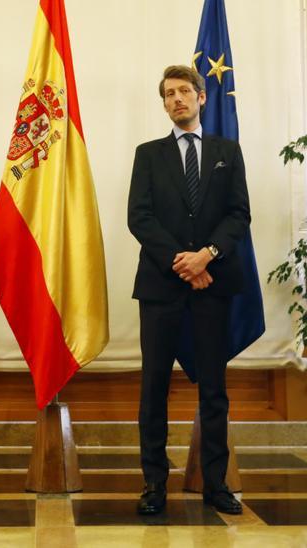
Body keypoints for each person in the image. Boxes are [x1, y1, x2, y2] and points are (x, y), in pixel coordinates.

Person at [127, 65, 253, 517]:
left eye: (184, 91)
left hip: (213, 284)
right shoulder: (148, 154)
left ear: (201, 97)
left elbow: (239, 214)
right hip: (162, 285)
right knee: (154, 386)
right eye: (168, 94)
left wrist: (208, 255)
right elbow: (139, 217)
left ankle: (215, 483)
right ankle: (154, 483)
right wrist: (184, 261)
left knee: (214, 389)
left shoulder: (227, 151)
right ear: (163, 104)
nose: (177, 99)